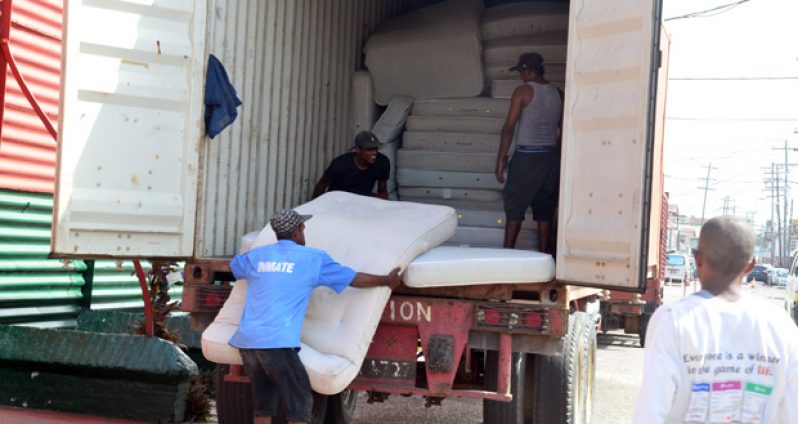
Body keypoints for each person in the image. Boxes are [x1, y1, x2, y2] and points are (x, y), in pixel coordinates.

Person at [228, 209, 401, 424]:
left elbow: (235, 266)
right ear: (297, 232)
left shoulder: (257, 256)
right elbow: (354, 278)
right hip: (277, 343)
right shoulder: (312, 259)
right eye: (303, 228)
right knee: (299, 408)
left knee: (263, 406)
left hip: (248, 343)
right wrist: (386, 280)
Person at [633, 216, 798, 423]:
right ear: (750, 265)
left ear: (697, 258)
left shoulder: (673, 320)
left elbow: (650, 410)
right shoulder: (781, 326)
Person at [495, 52, 564, 253]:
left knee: (514, 206)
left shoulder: (523, 91)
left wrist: (500, 160)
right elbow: (563, 128)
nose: (521, 75)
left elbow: (509, 127)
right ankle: (544, 257)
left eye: (522, 71)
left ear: (529, 70)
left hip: (526, 157)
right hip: (550, 158)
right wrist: (554, 152)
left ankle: (506, 255)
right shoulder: (559, 93)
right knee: (545, 209)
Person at [312, 131, 390, 199]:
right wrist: (314, 208)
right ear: (358, 150)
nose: (374, 153)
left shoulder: (382, 162)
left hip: (363, 199)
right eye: (369, 149)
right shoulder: (340, 164)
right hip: (338, 200)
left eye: (375, 149)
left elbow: (382, 191)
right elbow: (321, 186)